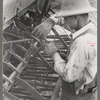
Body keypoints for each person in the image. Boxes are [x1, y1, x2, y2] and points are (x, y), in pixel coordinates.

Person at [32, 0, 97, 100]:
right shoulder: (91, 28)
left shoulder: (82, 43)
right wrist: (51, 21)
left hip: (78, 95)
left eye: (66, 17)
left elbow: (68, 75)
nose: (64, 21)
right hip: (89, 88)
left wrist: (54, 53)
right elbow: (65, 20)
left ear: (76, 17)